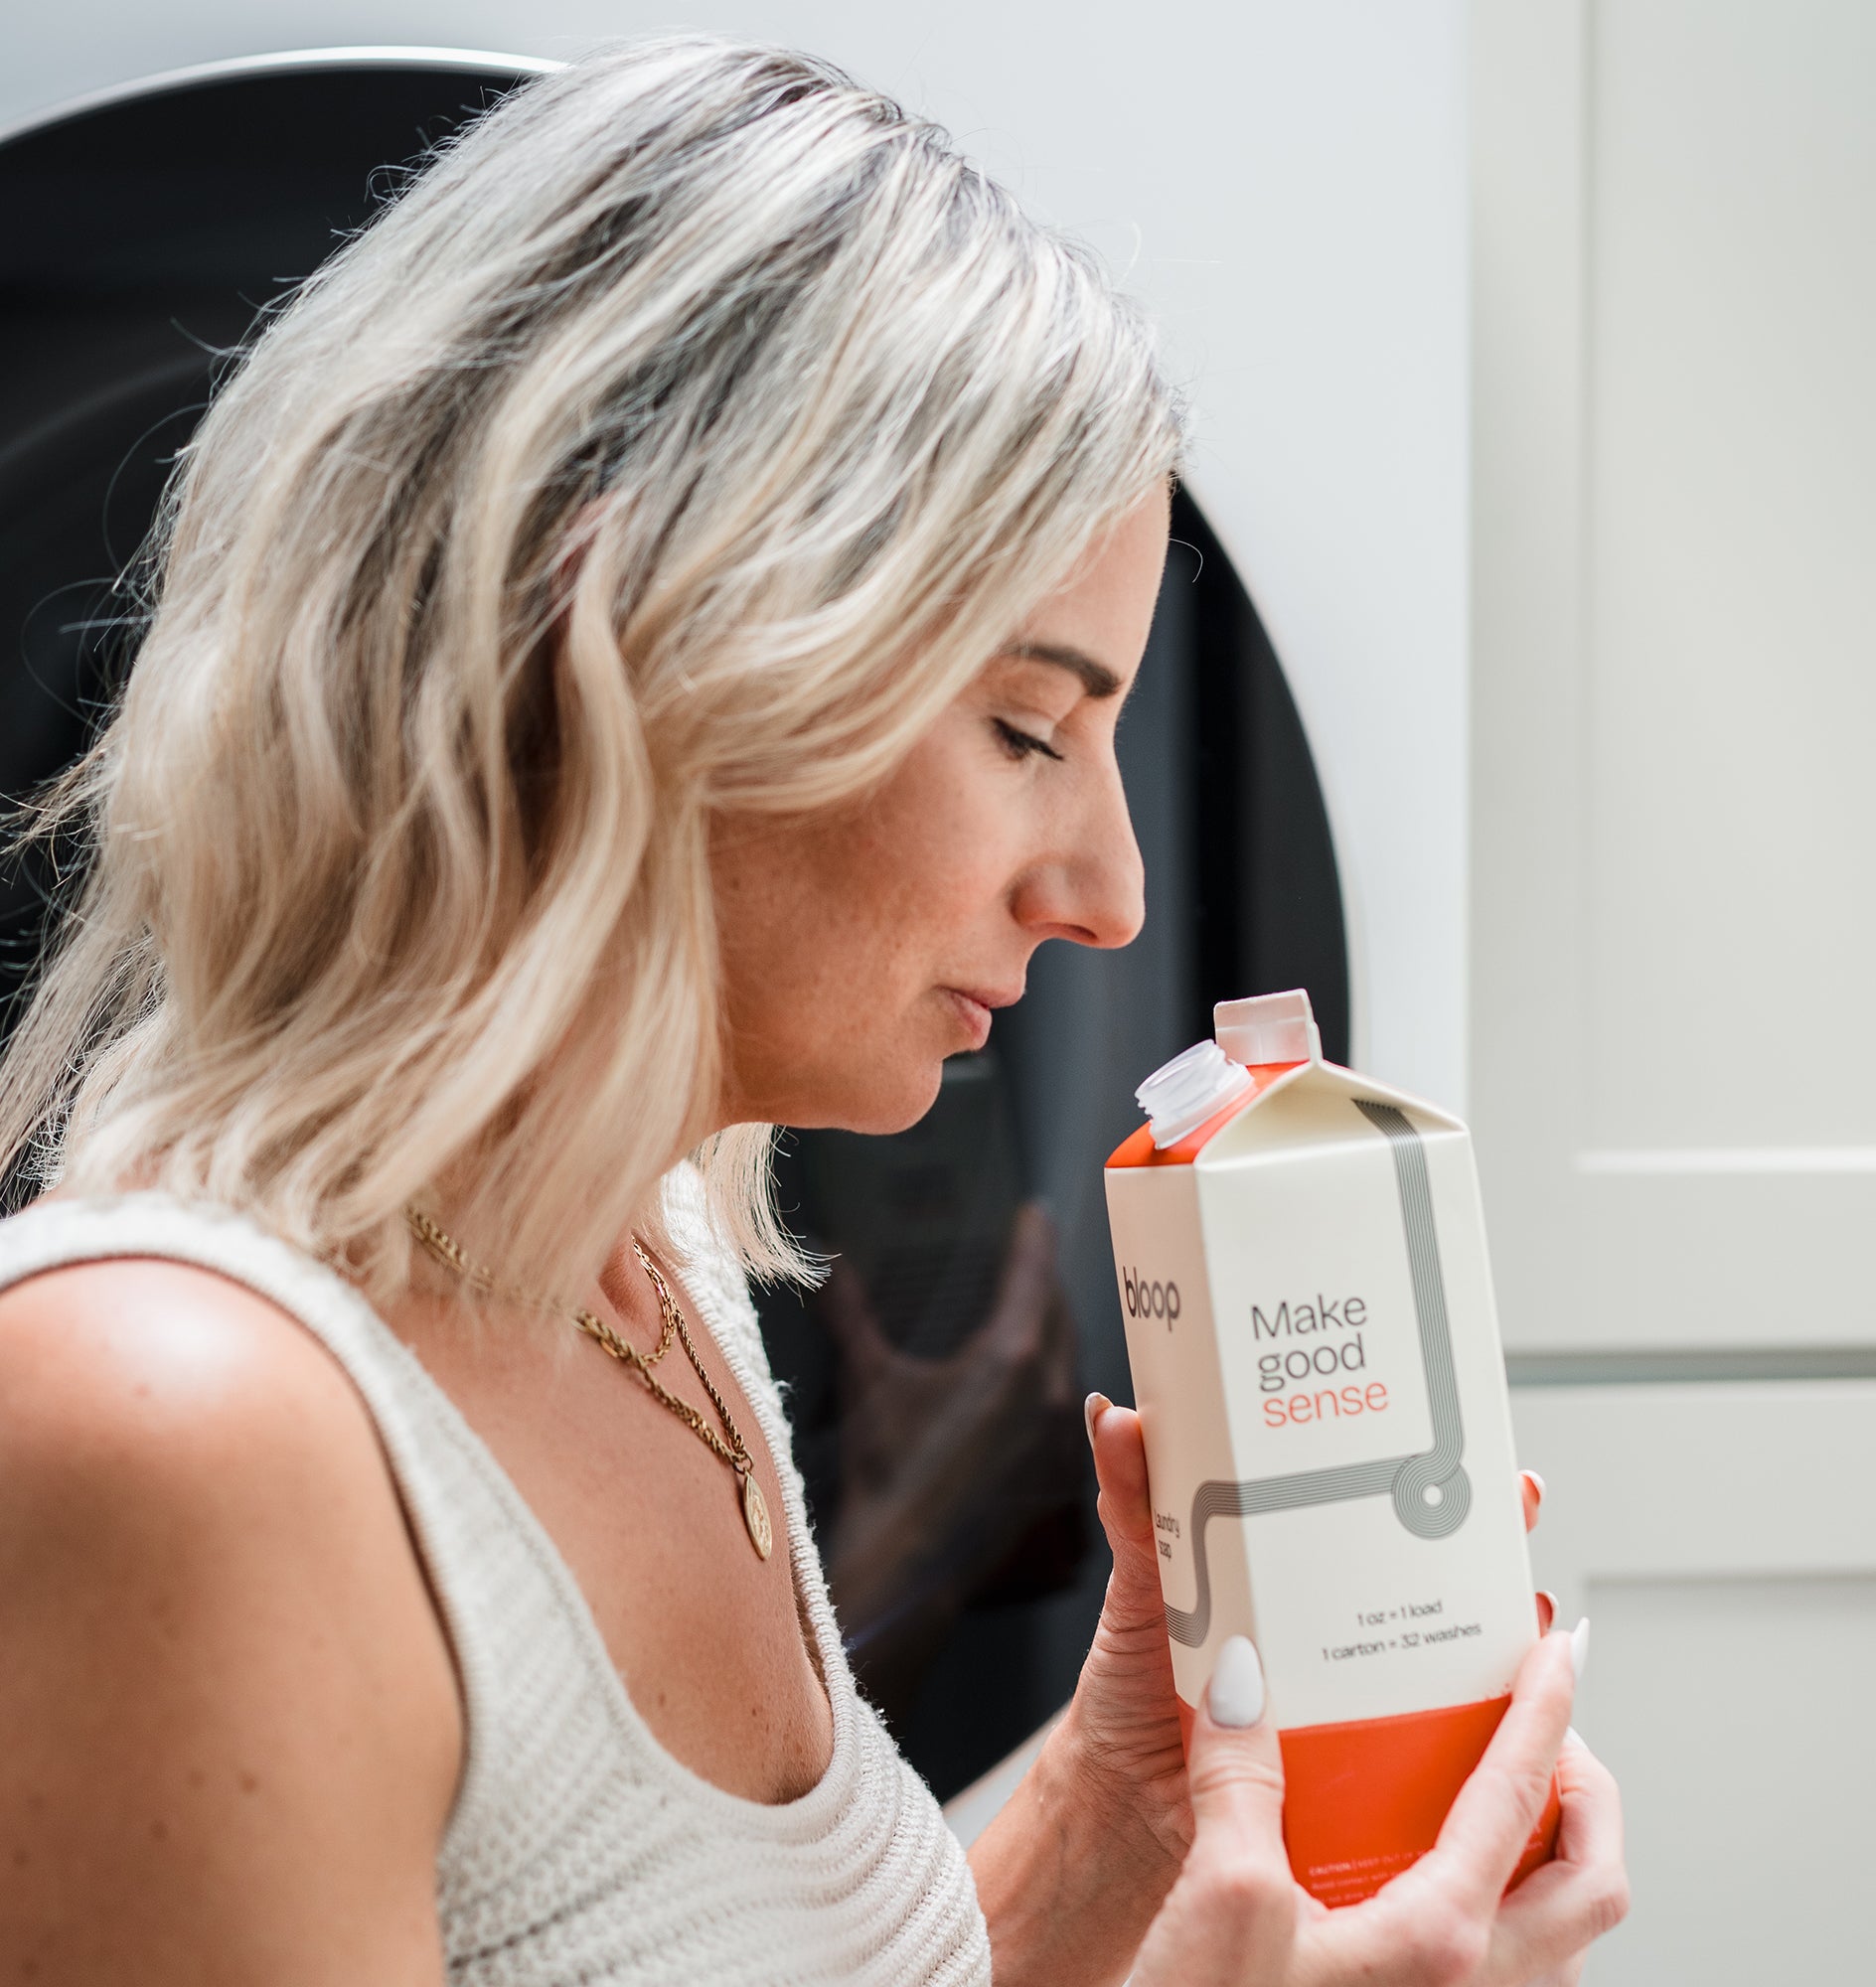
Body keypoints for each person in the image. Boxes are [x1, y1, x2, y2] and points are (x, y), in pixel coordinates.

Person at [0, 36, 1627, 1986]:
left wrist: (1123, 1795)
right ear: (636, 647)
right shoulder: (173, 1434)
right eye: (1028, 727)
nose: (1108, 892)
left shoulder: (642, 1255)